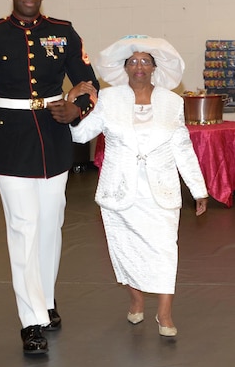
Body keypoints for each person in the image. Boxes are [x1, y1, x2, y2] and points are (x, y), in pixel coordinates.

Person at [0, 0, 99, 355]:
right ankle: (31, 319)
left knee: (51, 225)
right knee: (23, 227)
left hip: (53, 138)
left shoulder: (63, 31)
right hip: (11, 140)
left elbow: (89, 82)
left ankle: (46, 301)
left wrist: (76, 108)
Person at [69, 35, 208, 337]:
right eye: (133, 61)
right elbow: (81, 135)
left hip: (161, 190)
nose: (139, 66)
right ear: (125, 68)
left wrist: (198, 189)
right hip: (120, 190)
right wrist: (72, 101)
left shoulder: (172, 102)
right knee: (127, 250)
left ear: (155, 67)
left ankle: (165, 313)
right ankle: (135, 301)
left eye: (146, 61)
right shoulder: (109, 98)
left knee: (165, 250)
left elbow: (182, 147)